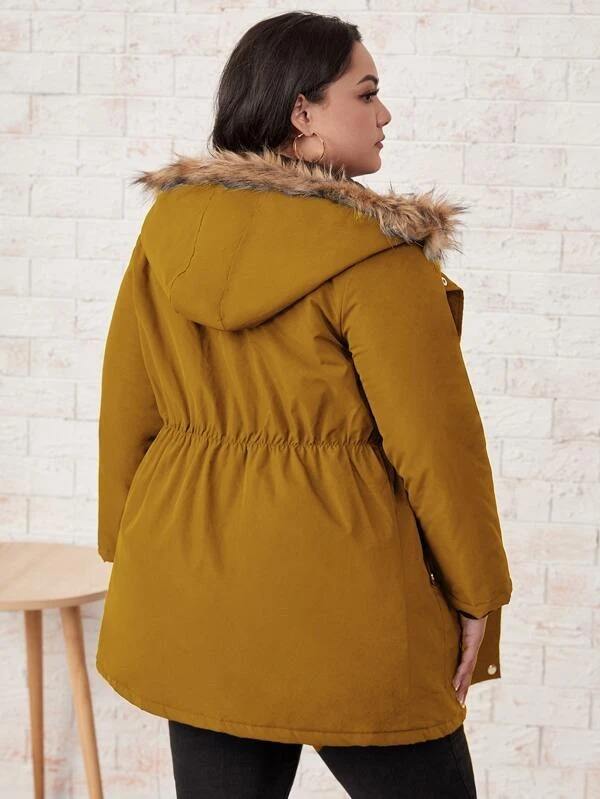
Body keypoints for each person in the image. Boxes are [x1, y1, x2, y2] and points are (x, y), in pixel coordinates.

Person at [95, 10, 512, 798]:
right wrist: (478, 593)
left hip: (189, 586)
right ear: (303, 113)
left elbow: (129, 405)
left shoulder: (169, 230)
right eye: (367, 93)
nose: (385, 114)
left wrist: (128, 549)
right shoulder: (377, 255)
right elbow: (437, 448)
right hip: (346, 601)